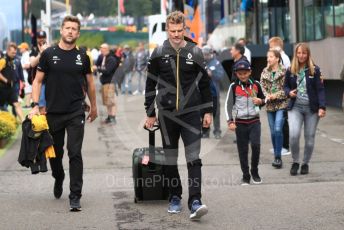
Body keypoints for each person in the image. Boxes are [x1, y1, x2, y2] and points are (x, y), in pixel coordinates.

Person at [144, 11, 212, 221]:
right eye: (172, 31)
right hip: (167, 115)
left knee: (193, 159)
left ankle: (195, 201)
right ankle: (175, 196)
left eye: (179, 30)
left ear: (185, 29)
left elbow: (205, 84)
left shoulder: (195, 52)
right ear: (167, 30)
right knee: (170, 159)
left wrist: (208, 111)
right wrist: (150, 113)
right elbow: (150, 84)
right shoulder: (158, 53)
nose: (175, 34)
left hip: (191, 114)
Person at [29, 15, 97, 211]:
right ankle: (58, 177)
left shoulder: (83, 56)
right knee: (55, 155)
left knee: (75, 153)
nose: (70, 31)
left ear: (78, 32)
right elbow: (37, 81)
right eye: (67, 28)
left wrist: (94, 106)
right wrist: (35, 105)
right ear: (61, 30)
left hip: (76, 112)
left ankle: (75, 195)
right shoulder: (49, 54)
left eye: (74, 29)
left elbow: (91, 84)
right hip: (53, 113)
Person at [284, 43, 326, 176]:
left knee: (309, 138)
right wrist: (289, 93)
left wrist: (322, 107)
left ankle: (305, 163)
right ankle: (295, 161)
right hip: (295, 107)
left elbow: (320, 90)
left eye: (304, 53)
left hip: (311, 109)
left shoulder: (315, 70)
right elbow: (285, 86)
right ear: (296, 54)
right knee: (294, 135)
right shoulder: (291, 69)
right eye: (299, 53)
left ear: (308, 54)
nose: (301, 55)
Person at [225, 60, 265, 185]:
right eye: (240, 73)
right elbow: (228, 105)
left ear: (250, 72)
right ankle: (246, 175)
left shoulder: (256, 84)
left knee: (255, 146)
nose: (243, 76)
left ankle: (255, 171)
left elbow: (264, 99)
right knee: (242, 150)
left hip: (254, 121)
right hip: (240, 123)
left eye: (245, 73)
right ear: (236, 74)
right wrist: (230, 121)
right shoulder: (233, 86)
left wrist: (261, 101)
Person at [260, 49, 288, 168]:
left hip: (281, 104)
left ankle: (278, 157)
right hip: (270, 106)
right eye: (268, 57)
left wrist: (275, 95)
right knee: (272, 131)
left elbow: (287, 88)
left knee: (277, 129)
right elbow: (262, 86)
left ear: (277, 58)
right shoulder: (264, 72)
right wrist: (267, 95)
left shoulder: (285, 71)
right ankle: (277, 154)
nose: (268, 59)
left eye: (271, 57)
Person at [269, 36, 291, 155]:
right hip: (279, 94)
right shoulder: (283, 57)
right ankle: (280, 146)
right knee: (280, 123)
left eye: (271, 47)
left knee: (283, 122)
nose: (270, 50)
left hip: (282, 95)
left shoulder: (282, 58)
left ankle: (285, 147)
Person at [201, 45, 224, 139]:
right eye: (204, 54)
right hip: (203, 94)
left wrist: (212, 74)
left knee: (216, 113)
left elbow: (221, 76)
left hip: (214, 93)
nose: (205, 56)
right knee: (204, 113)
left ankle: (217, 131)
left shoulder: (216, 63)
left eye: (207, 54)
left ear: (211, 54)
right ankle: (205, 132)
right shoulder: (200, 63)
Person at [0, 42, 24, 121]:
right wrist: (6, 80)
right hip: (3, 88)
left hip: (12, 87)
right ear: (7, 51)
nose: (14, 54)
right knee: (2, 107)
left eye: (15, 52)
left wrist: (22, 81)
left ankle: (24, 122)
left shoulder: (16, 59)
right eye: (12, 53)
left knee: (16, 104)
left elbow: (20, 70)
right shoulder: (3, 60)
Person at [95, 43, 118, 124]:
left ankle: (113, 117)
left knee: (111, 101)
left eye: (102, 49)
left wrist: (98, 69)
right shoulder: (103, 57)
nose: (101, 50)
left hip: (110, 82)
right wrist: (98, 67)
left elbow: (107, 71)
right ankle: (109, 116)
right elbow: (97, 64)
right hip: (105, 82)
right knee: (107, 101)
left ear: (106, 49)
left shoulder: (111, 59)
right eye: (100, 48)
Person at [29, 31, 49, 114]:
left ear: (45, 38)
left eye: (43, 37)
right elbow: (32, 63)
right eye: (39, 38)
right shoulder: (34, 50)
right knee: (41, 106)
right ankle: (43, 125)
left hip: (50, 80)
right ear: (37, 39)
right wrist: (41, 53)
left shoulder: (51, 48)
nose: (41, 39)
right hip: (40, 82)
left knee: (51, 106)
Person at [18, 42, 32, 108]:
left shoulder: (26, 54)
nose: (19, 49)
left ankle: (28, 104)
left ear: (25, 48)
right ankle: (27, 104)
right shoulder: (25, 54)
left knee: (28, 89)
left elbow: (27, 65)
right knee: (27, 89)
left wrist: (20, 67)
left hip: (26, 74)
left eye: (21, 48)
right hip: (24, 74)